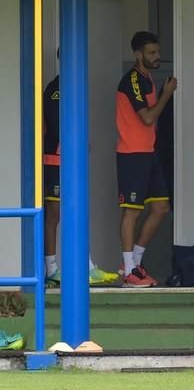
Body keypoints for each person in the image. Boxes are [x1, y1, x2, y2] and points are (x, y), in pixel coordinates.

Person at [43, 54, 119, 287]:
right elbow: (56, 127)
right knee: (55, 213)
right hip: (56, 159)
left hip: (70, 161)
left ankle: (86, 265)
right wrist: (75, 142)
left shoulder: (74, 87)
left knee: (74, 211)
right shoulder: (57, 88)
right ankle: (52, 269)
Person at [116, 31, 177, 287]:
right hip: (132, 153)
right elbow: (148, 118)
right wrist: (167, 94)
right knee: (132, 211)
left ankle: (135, 263)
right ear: (138, 54)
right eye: (152, 53)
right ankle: (129, 269)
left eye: (158, 52)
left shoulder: (147, 78)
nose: (158, 57)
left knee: (161, 207)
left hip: (148, 152)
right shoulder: (131, 80)